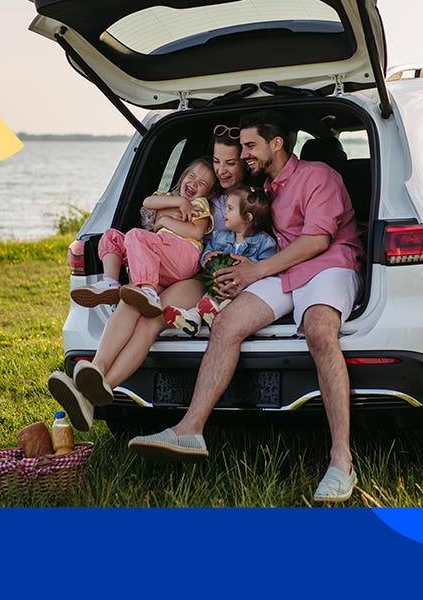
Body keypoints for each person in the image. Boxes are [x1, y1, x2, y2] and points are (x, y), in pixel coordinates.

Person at [127, 110, 365, 504]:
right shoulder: (265, 189)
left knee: (320, 331)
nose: (245, 154)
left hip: (328, 264)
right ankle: (190, 429)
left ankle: (341, 460)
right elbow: (236, 223)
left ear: (277, 144)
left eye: (251, 146)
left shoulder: (319, 176)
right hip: (283, 267)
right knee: (226, 325)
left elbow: (317, 242)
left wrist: (254, 272)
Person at [47, 132, 250, 432]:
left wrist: (165, 221)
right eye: (218, 162)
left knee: (148, 324)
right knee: (129, 306)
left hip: (193, 275)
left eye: (230, 163)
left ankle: (99, 391)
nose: (222, 170)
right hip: (157, 261)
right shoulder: (180, 197)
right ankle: (95, 373)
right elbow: (147, 207)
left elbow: (194, 232)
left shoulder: (243, 198)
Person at [69, 157, 216, 317]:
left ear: (209, 193)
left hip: (184, 256)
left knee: (136, 235)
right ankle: (110, 282)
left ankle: (149, 291)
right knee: (112, 236)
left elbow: (196, 233)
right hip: (162, 256)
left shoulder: (200, 204)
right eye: (191, 176)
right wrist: (179, 201)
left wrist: (163, 220)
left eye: (202, 184)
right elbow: (147, 202)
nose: (194, 183)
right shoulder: (169, 198)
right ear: (183, 176)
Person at [162, 185, 277, 336]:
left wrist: (251, 264)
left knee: (227, 304)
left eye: (230, 208)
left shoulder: (265, 242)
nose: (224, 212)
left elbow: (267, 268)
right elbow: (207, 251)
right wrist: (207, 257)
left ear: (248, 218)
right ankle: (193, 318)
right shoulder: (220, 236)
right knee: (208, 297)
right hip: (216, 286)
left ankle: (214, 314)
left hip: (242, 291)